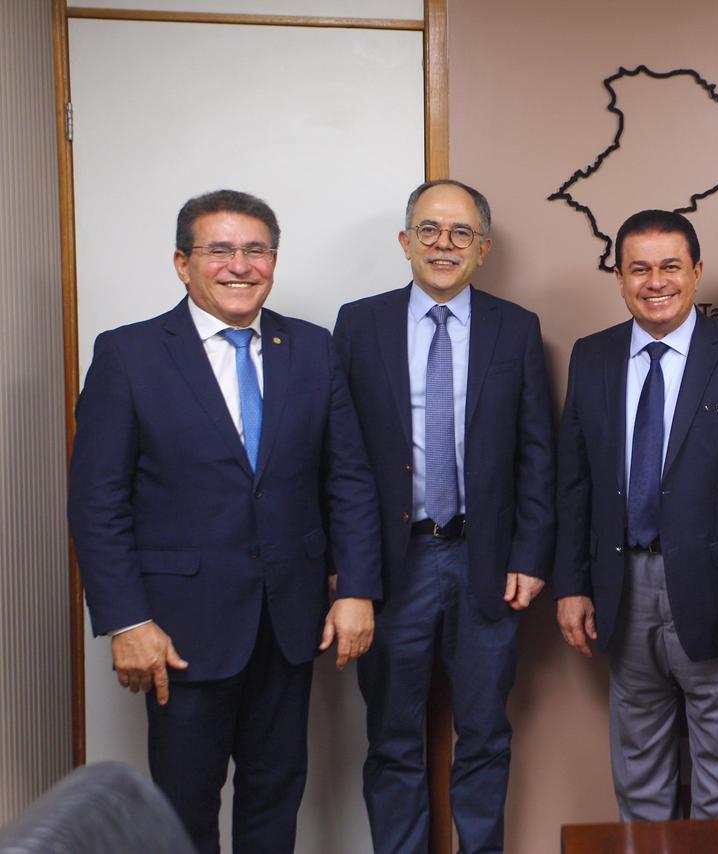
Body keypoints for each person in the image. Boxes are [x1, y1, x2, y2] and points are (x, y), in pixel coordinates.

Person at [68, 189, 381, 853]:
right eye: (220, 250)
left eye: (256, 250)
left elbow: (348, 479)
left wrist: (356, 587)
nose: (240, 266)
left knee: (275, 795)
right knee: (184, 806)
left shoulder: (312, 348)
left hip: (289, 619)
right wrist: (127, 621)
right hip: (178, 627)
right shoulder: (128, 355)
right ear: (183, 263)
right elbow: (97, 501)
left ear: (274, 261)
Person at [334, 179, 555, 854]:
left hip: (484, 560)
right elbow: (337, 456)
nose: (443, 244)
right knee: (393, 738)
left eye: (461, 233)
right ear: (405, 241)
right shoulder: (359, 325)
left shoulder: (516, 329)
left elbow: (536, 452)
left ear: (482, 249)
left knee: (485, 735)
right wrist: (348, 574)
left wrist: (530, 555)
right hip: (391, 564)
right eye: (429, 229)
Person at [554, 210, 718, 821]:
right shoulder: (593, 356)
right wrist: (572, 586)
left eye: (670, 267)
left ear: (697, 272)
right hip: (622, 588)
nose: (655, 282)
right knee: (638, 776)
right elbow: (574, 483)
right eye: (639, 269)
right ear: (619, 277)